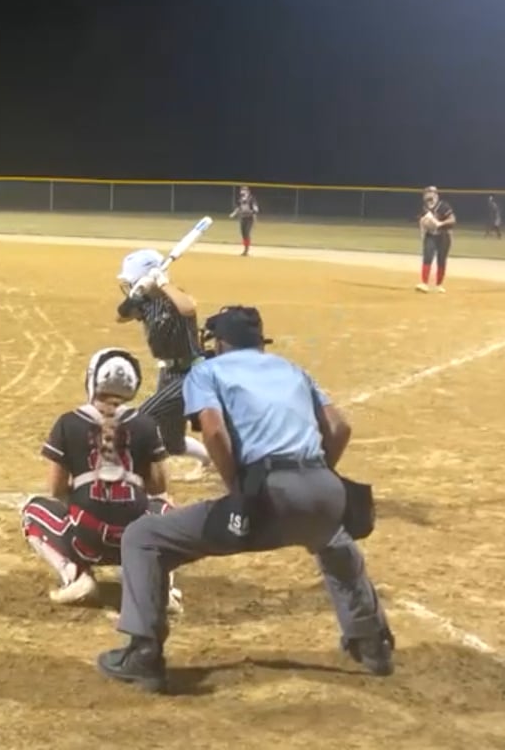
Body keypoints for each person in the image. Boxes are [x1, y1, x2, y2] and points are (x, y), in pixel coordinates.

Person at [95, 305, 393, 691]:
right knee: (334, 541)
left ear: (220, 343)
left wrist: (237, 487)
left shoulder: (207, 371)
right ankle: (373, 644)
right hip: (325, 490)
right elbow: (339, 427)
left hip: (267, 494)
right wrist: (317, 476)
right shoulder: (292, 369)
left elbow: (214, 433)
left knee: (143, 537)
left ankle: (143, 652)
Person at [20, 348, 181, 606]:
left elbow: (56, 488)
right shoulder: (146, 425)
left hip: (86, 539)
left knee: (32, 510)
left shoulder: (68, 422)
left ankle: (75, 575)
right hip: (135, 540)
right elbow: (159, 486)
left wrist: (84, 495)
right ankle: (158, 583)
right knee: (166, 508)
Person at [114, 249, 214, 473]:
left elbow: (188, 308)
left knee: (143, 417)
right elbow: (120, 316)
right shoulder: (146, 302)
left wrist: (162, 282)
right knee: (172, 442)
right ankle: (210, 460)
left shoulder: (175, 297)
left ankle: (124, 471)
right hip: (168, 373)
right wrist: (136, 295)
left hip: (190, 373)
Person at [416, 186, 456, 293]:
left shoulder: (443, 206)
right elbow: (422, 222)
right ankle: (424, 284)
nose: (426, 196)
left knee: (441, 260)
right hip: (431, 235)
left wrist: (440, 223)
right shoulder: (425, 208)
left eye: (428, 193)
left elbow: (452, 219)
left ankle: (439, 285)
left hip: (444, 235)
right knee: (427, 257)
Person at [230, 186, 259, 256]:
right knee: (243, 234)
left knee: (247, 233)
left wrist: (253, 212)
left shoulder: (251, 199)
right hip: (243, 217)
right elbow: (239, 207)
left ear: (248, 191)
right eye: (242, 190)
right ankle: (245, 249)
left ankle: (246, 250)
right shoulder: (241, 199)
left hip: (249, 218)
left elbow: (256, 209)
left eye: (244, 190)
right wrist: (234, 213)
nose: (242, 192)